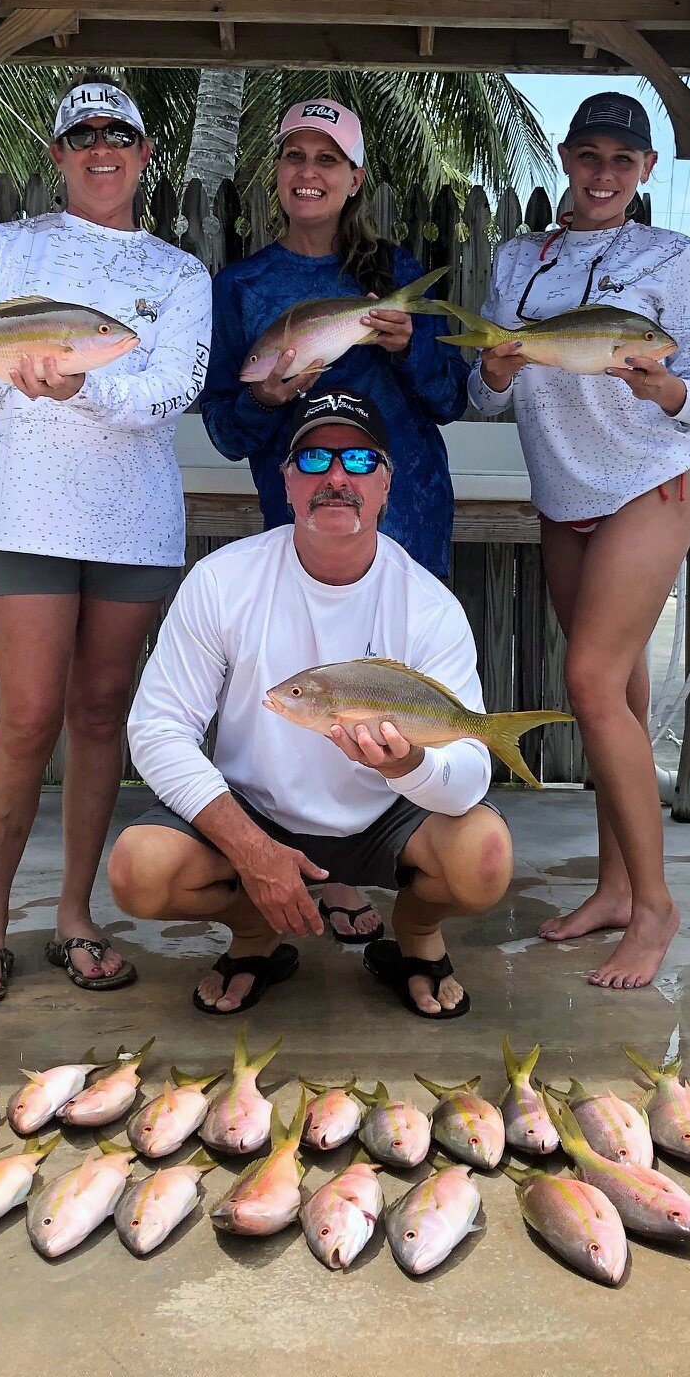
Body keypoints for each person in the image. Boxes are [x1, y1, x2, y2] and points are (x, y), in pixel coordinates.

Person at [0, 79, 212, 1004]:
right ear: (58, 154)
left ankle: (76, 916)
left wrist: (83, 390)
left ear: (145, 153)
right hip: (24, 511)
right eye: (83, 135)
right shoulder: (3, 249)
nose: (101, 148)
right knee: (28, 714)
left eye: (120, 133)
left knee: (101, 713)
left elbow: (171, 392)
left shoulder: (178, 274)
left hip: (134, 520)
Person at [113, 390, 512, 1019]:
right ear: (287, 482)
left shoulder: (428, 605)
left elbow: (467, 778)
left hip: (388, 817)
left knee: (484, 856)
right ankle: (256, 933)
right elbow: (158, 729)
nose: (335, 478)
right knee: (140, 869)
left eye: (357, 461)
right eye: (313, 460)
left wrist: (407, 766)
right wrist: (251, 849)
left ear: (386, 482)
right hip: (257, 810)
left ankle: (416, 933)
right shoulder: (224, 581)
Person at [468, 91, 690, 990]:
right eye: (589, 156)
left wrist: (661, 390)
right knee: (611, 691)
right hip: (561, 492)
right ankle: (615, 888)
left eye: (623, 159)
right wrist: (494, 367)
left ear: (647, 170)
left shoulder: (671, 256)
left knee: (586, 681)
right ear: (566, 160)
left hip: (644, 484)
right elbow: (491, 395)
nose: (604, 173)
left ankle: (656, 905)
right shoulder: (516, 260)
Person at [198, 97, 470, 947]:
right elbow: (224, 425)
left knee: (393, 706)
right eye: (294, 156)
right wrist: (264, 397)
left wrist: (406, 345)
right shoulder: (241, 286)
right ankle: (322, 871)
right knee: (313, 697)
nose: (307, 172)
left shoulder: (395, 271)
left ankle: (387, 875)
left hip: (409, 515)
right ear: (274, 175)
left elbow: (450, 398)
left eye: (327, 158)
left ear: (354, 180)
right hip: (305, 525)